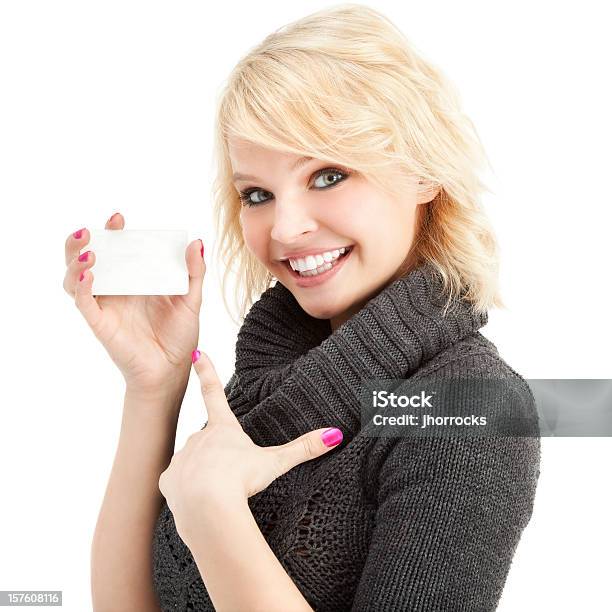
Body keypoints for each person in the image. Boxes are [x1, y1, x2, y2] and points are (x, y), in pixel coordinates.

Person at [64, 4, 540, 611]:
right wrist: (153, 388)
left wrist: (215, 515)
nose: (285, 229)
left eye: (328, 175)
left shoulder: (471, 409)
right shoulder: (274, 376)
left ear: (424, 172)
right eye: (257, 194)